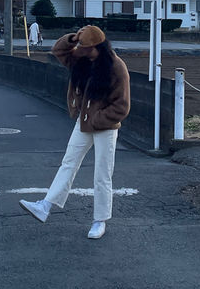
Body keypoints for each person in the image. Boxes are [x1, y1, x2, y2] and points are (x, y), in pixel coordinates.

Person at [19, 25, 130, 239]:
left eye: (88, 48)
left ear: (100, 47)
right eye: (82, 47)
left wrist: (98, 119)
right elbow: (58, 51)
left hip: (104, 127)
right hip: (84, 122)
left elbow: (122, 106)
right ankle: (45, 206)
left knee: (102, 174)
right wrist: (73, 37)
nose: (83, 52)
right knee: (68, 162)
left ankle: (100, 220)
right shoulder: (81, 58)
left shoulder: (116, 67)